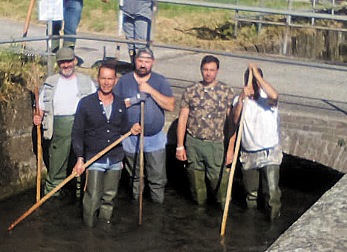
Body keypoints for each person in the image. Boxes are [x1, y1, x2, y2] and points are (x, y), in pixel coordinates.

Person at [72, 62, 141, 227]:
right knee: (93, 195)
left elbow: (123, 129)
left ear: (115, 80)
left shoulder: (119, 104)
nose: (106, 82)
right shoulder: (86, 103)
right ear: (98, 79)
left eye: (110, 79)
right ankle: (88, 229)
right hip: (94, 159)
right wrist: (80, 158)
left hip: (115, 159)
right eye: (103, 78)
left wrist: (133, 128)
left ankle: (104, 228)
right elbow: (77, 134)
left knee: (109, 197)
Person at [113, 48, 175, 203]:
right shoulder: (124, 81)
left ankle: (156, 210)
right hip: (131, 137)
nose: (143, 64)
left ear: (152, 62)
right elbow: (115, 106)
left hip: (154, 139)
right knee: (136, 177)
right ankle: (136, 204)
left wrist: (150, 90)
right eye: (140, 60)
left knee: (157, 179)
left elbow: (170, 105)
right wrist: (133, 100)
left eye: (147, 61)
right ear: (135, 61)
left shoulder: (160, 81)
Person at [33, 47, 96, 195]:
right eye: (62, 62)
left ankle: (81, 196)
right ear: (58, 63)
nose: (66, 65)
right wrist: (37, 116)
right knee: (56, 168)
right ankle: (52, 197)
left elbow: (97, 105)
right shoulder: (51, 82)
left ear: (74, 61)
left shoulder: (87, 82)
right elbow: (41, 107)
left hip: (82, 128)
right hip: (58, 130)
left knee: (80, 166)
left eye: (68, 61)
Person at [176, 55, 234, 207]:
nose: (208, 73)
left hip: (215, 144)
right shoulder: (191, 91)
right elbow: (183, 118)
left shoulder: (225, 91)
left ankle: (221, 209)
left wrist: (230, 149)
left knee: (219, 182)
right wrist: (180, 145)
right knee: (195, 182)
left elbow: (231, 124)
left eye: (212, 70)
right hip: (194, 142)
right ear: (201, 70)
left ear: (217, 71)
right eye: (205, 70)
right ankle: (199, 210)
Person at [232, 64, 282, 221]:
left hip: (269, 152)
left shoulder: (267, 99)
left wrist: (258, 78)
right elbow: (234, 120)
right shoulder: (240, 100)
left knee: (272, 194)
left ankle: (273, 223)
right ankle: (251, 224)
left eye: (255, 83)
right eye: (250, 82)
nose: (252, 86)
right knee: (251, 195)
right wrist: (241, 98)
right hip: (249, 153)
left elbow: (275, 95)